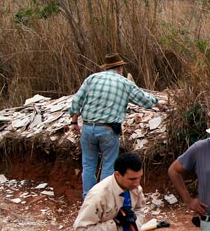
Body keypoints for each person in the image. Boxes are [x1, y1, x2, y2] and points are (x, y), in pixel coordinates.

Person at [69, 53, 160, 198]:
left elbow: (77, 101)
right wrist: (159, 104)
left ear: (106, 67)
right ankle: (103, 198)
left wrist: (74, 122)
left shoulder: (92, 78)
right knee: (108, 165)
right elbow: (144, 99)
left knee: (88, 166)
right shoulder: (124, 82)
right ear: (120, 68)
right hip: (108, 129)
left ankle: (88, 198)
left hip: (87, 127)